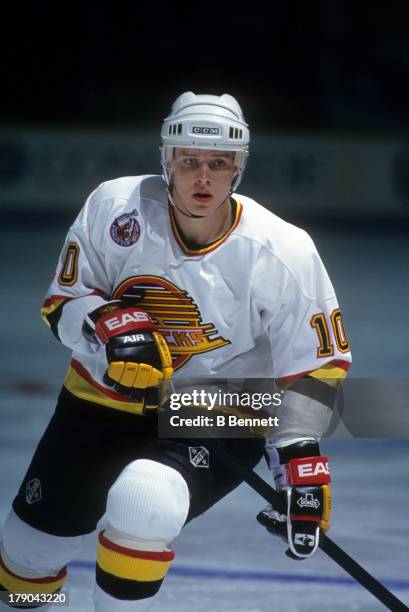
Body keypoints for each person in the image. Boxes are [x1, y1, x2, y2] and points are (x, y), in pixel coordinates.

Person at [0, 92, 351, 610]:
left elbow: (316, 367)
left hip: (215, 409)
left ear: (239, 169)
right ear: (166, 161)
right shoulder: (114, 207)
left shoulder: (284, 250)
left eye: (218, 163)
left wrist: (299, 462)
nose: (202, 177)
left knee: (146, 501)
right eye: (189, 161)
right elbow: (62, 301)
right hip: (100, 400)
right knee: (30, 553)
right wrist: (107, 322)